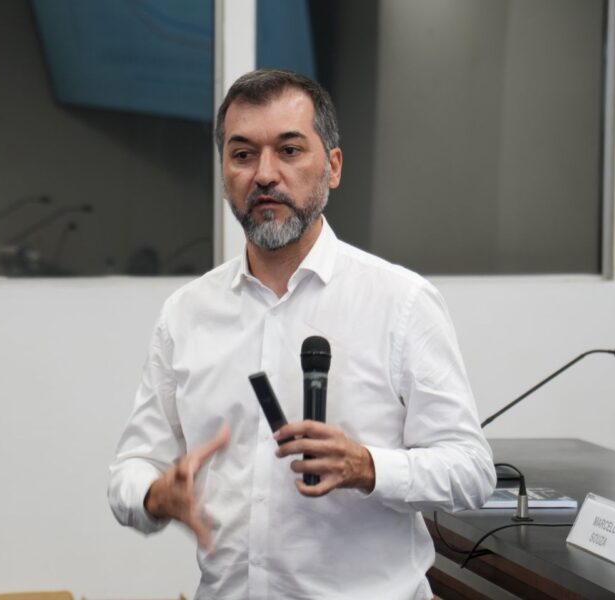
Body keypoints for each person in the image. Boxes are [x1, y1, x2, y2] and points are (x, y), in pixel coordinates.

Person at [108, 68, 495, 600]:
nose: (264, 174)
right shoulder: (186, 313)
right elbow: (132, 467)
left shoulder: (401, 302)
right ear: (224, 173)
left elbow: (471, 471)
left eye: (289, 151)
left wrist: (368, 467)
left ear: (333, 167)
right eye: (242, 155)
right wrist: (153, 496)